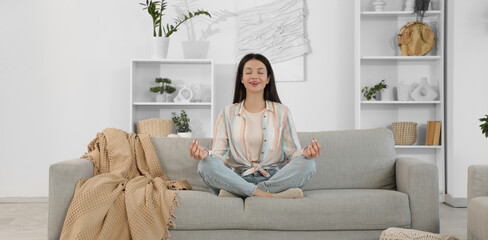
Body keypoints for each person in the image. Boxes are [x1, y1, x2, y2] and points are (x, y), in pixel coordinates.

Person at [189, 53, 321, 199]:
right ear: (241, 78)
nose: (254, 76)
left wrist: (306, 153)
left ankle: (240, 192)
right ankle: (268, 195)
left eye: (260, 72)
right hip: (239, 177)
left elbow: (293, 154)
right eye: (248, 72)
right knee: (205, 165)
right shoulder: (227, 113)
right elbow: (220, 155)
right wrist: (206, 155)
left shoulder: (282, 112)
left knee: (308, 164)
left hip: (273, 178)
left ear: (268, 78)